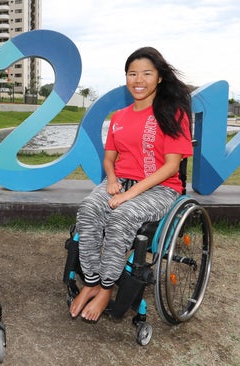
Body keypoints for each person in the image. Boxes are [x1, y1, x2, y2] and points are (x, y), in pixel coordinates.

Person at [69, 46, 193, 322]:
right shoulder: (119, 117)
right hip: (121, 180)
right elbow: (109, 159)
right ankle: (90, 280)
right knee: (89, 208)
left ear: (159, 77)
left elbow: (172, 166)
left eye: (147, 73)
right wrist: (112, 181)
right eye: (132, 74)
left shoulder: (173, 114)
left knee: (122, 216)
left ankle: (105, 288)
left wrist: (131, 194)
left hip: (160, 187)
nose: (139, 80)